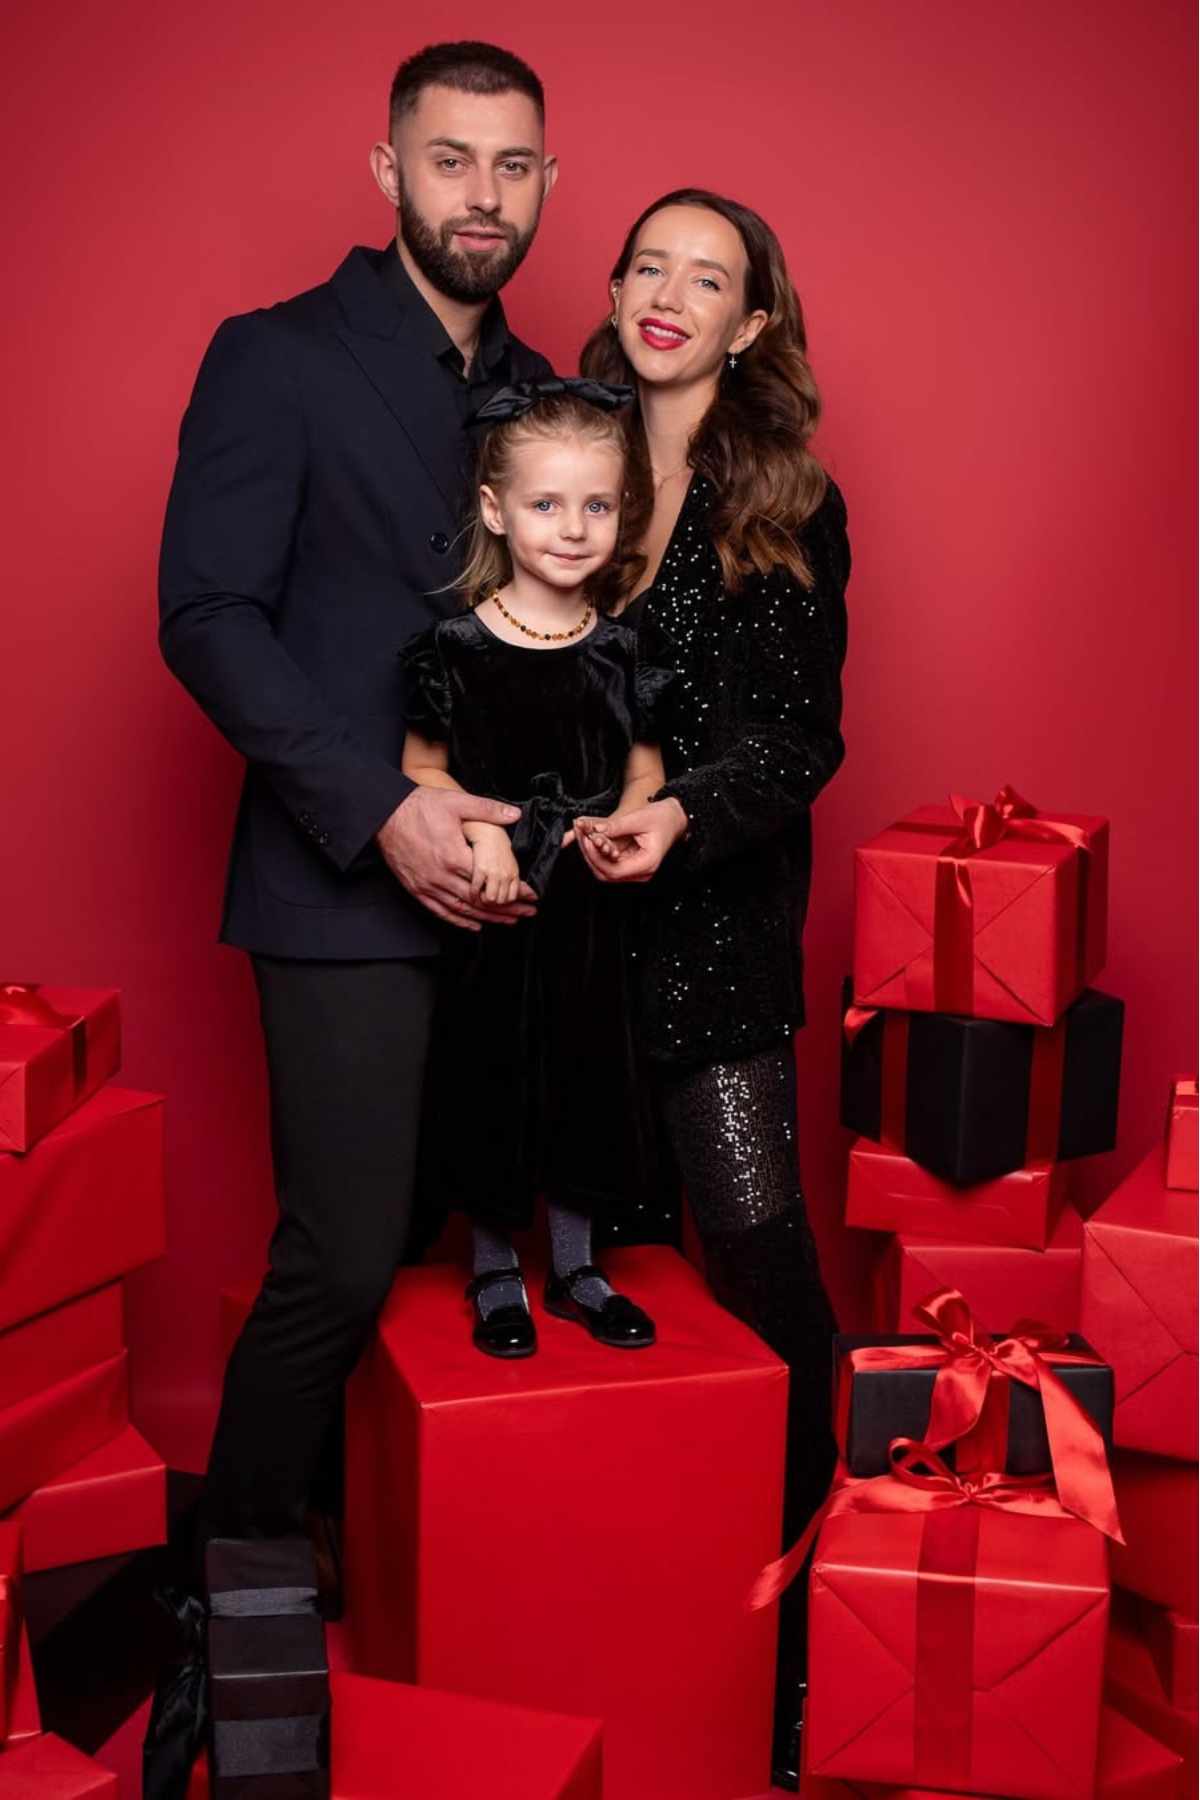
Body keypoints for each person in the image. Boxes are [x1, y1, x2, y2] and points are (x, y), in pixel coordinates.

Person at [148, 37, 556, 1786]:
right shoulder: (276, 358)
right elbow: (208, 614)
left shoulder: (553, 389)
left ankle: (386, 1588)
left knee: (452, 1254)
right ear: (387, 174)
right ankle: (228, 1621)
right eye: (451, 161)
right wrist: (383, 810)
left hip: (515, 890)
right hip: (338, 882)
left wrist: (536, 827)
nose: (484, 194)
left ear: (546, 182)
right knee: (333, 1256)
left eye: (515, 165)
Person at [577, 188, 850, 1787]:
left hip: (710, 943)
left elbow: (803, 741)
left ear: (751, 326)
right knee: (597, 1285)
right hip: (555, 947)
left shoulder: (792, 502)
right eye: (649, 265)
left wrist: (676, 815)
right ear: (612, 289)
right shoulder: (548, 447)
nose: (670, 295)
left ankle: (810, 1645)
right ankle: (634, 1630)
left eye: (711, 278)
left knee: (760, 1277)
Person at [400, 379, 671, 1356]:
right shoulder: (456, 649)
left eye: (596, 505)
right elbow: (421, 767)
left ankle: (579, 1267)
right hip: (494, 911)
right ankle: (494, 1273)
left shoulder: (624, 653)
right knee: (492, 1083)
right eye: (547, 504)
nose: (572, 527)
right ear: (495, 509)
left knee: (586, 1085)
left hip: (589, 918)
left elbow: (645, 774)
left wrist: (624, 827)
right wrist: (478, 841)